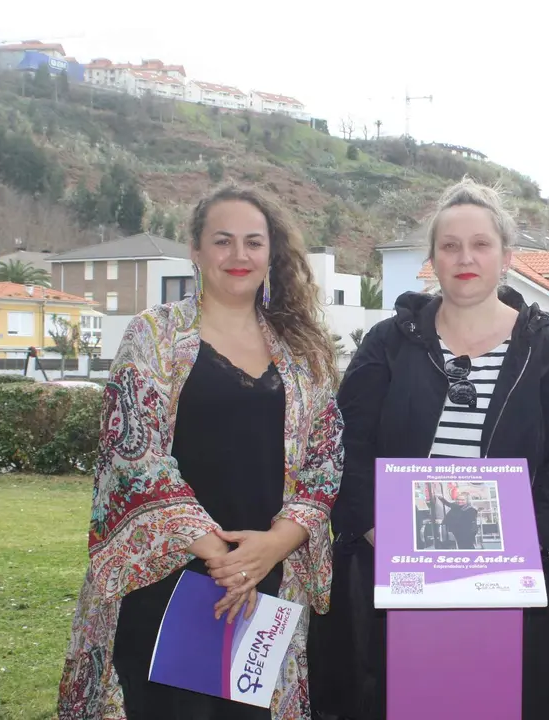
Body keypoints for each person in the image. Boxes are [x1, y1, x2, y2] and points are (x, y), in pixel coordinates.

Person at [307, 177, 549, 720]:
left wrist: (516, 560)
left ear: (506, 257)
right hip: (394, 581)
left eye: (480, 244)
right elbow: (345, 443)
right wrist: (377, 530)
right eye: (450, 246)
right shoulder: (388, 344)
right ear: (433, 259)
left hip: (512, 590)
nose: (465, 257)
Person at [57, 186, 345, 720]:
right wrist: (221, 556)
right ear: (195, 249)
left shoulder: (304, 352)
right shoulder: (155, 335)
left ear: (271, 253)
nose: (239, 256)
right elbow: (134, 455)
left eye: (254, 242)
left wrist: (271, 548)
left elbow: (325, 465)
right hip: (169, 580)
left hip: (268, 580)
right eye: (223, 241)